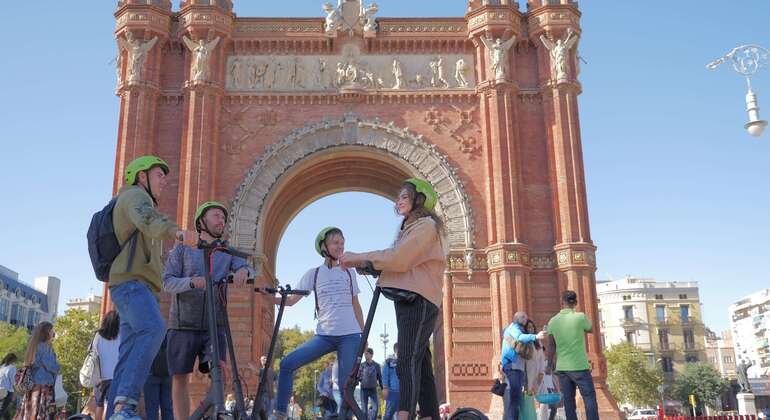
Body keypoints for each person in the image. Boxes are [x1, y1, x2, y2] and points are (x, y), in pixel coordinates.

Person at [341, 178, 447, 420]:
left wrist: (359, 257)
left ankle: (404, 415)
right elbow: (400, 263)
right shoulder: (410, 229)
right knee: (420, 362)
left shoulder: (425, 226)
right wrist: (370, 266)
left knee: (407, 359)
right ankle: (430, 415)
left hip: (418, 300)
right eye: (398, 197)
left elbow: (399, 259)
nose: (399, 200)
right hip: (412, 298)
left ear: (420, 200)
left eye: (405, 196)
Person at [106, 155, 198, 420]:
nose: (164, 182)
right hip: (132, 285)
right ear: (141, 176)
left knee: (127, 354)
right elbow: (149, 220)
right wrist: (179, 233)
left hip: (133, 286)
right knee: (155, 329)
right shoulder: (135, 196)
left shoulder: (136, 199)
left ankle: (115, 413)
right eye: (159, 175)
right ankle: (125, 407)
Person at [162, 201, 253, 420]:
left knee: (220, 372)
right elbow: (167, 282)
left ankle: (210, 411)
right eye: (216, 216)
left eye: (223, 218)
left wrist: (243, 271)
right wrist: (193, 282)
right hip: (182, 324)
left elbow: (251, 269)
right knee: (180, 377)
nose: (221, 221)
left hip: (215, 325)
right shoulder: (182, 249)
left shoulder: (226, 251)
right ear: (202, 221)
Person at [262, 227, 364, 420]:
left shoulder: (349, 272)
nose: (340, 246)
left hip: (350, 336)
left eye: (342, 242)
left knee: (345, 387)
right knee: (286, 364)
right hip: (324, 336)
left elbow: (355, 305)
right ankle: (281, 413)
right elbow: (291, 301)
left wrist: (363, 334)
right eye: (335, 242)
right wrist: (270, 298)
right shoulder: (314, 274)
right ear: (324, 246)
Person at [545, 290, 599, 420]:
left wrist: (548, 364)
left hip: (562, 368)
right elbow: (591, 328)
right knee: (589, 398)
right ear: (575, 302)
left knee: (569, 401)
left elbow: (551, 346)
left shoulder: (553, 321)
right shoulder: (580, 317)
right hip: (579, 365)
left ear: (562, 302)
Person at [501, 312, 546, 420]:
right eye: (523, 317)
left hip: (520, 370)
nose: (525, 319)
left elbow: (540, 358)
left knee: (516, 399)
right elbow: (519, 337)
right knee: (514, 399)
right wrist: (536, 336)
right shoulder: (514, 329)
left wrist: (541, 371)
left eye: (525, 317)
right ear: (516, 318)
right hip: (513, 368)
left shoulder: (523, 335)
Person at [15, 322, 60, 420]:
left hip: (32, 387)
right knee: (42, 414)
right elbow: (53, 367)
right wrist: (57, 366)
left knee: (31, 413)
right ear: (47, 332)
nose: (53, 333)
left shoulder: (33, 346)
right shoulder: (46, 347)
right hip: (44, 387)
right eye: (52, 330)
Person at [523, 320, 557, 420]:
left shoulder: (538, 342)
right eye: (528, 327)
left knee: (543, 398)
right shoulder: (524, 341)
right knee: (528, 399)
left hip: (539, 374)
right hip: (527, 374)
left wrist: (542, 371)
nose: (531, 329)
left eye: (532, 327)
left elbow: (542, 357)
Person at [93, 311, 121, 420]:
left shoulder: (98, 335)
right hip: (115, 376)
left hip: (100, 376)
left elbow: (93, 353)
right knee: (111, 405)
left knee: (99, 405)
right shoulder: (120, 336)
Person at [143, 337, 172, 420]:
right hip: (167, 369)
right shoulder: (169, 328)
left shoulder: (148, 329)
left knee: (152, 410)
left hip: (150, 371)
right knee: (168, 408)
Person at [358, 348, 382, 420]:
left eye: (367, 354)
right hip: (363, 390)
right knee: (364, 411)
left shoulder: (376, 365)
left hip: (373, 390)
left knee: (375, 408)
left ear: (371, 355)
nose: (365, 355)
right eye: (365, 354)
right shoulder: (362, 365)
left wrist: (382, 388)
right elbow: (358, 376)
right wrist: (362, 380)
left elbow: (380, 377)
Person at [382, 343, 400, 420]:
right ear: (395, 350)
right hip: (392, 392)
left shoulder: (407, 360)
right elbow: (385, 374)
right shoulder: (389, 361)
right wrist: (385, 387)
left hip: (404, 392)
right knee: (388, 414)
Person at [0, 354, 18, 420]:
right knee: (2, 411)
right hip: (6, 392)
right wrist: (17, 391)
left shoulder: (1, 367)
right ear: (13, 360)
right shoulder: (12, 367)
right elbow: (13, 381)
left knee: (5, 411)